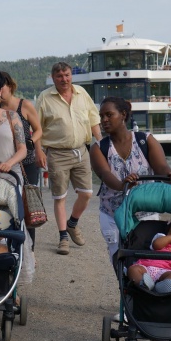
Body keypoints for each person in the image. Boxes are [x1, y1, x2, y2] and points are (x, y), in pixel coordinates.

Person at [90, 97, 171, 265]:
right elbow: (105, 174)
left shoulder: (145, 140)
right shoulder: (99, 148)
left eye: (109, 115)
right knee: (120, 261)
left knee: (149, 259)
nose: (104, 120)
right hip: (112, 212)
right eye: (101, 116)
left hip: (145, 213)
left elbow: (161, 167)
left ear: (123, 115)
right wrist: (122, 185)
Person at [36, 62, 102, 255]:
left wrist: (101, 144)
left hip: (81, 151)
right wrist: (39, 151)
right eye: (59, 76)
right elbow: (36, 127)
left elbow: (93, 120)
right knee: (60, 197)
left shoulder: (82, 93)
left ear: (71, 75)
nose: (64, 79)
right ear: (53, 78)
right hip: (57, 153)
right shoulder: (45, 97)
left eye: (66, 75)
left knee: (87, 193)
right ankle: (63, 237)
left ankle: (72, 223)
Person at [0, 71, 46, 246]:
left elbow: (38, 129)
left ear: (10, 86)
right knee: (5, 205)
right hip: (3, 162)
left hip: (26, 162)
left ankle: (30, 248)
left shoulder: (24, 105)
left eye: (1, 87)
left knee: (27, 205)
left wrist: (32, 145)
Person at [127, 221, 171, 294]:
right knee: (133, 269)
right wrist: (170, 238)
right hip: (146, 268)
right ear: (167, 234)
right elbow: (156, 245)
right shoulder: (162, 241)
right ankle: (142, 283)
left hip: (166, 272)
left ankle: (164, 287)